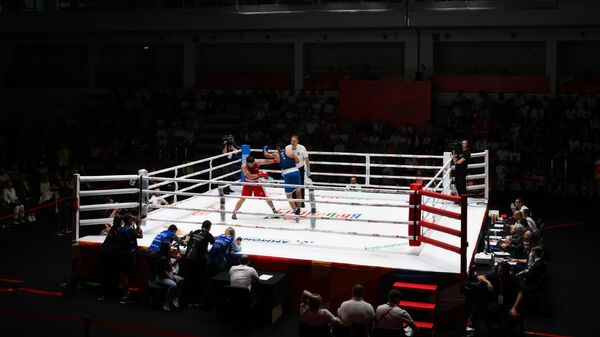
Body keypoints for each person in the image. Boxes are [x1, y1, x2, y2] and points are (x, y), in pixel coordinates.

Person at [476, 262, 524, 336]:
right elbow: (479, 276)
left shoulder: (513, 279)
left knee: (512, 317)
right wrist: (488, 282)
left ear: (506, 271)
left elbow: (520, 293)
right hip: (498, 302)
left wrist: (514, 308)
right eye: (499, 270)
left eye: (501, 270)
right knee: (486, 311)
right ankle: (492, 329)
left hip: (510, 302)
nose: (499, 271)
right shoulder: (496, 276)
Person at [231, 155, 277, 220]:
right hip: (248, 183)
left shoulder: (257, 162)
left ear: (254, 162)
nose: (251, 165)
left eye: (252, 164)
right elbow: (249, 176)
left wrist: (274, 161)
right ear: (247, 162)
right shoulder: (244, 166)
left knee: (266, 197)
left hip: (256, 182)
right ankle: (234, 212)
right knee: (242, 198)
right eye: (249, 164)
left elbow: (265, 161)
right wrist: (260, 174)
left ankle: (274, 210)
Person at [263, 144, 302, 218]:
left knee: (289, 196)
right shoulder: (290, 152)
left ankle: (295, 211)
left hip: (287, 174)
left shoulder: (276, 154)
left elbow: (266, 155)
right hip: (296, 172)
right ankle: (299, 208)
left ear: (278, 147)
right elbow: (297, 161)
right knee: (298, 192)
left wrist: (265, 149)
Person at [183, 220, 215, 306]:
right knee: (198, 280)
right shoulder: (208, 235)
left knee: (189, 278)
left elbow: (188, 238)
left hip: (188, 258)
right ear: (209, 227)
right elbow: (214, 242)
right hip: (198, 261)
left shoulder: (195, 232)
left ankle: (187, 299)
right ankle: (196, 300)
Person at [117, 213, 143, 304]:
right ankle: (125, 295)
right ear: (129, 220)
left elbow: (133, 234)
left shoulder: (121, 229)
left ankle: (125, 292)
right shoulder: (130, 230)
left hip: (122, 253)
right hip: (130, 254)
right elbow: (140, 235)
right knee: (128, 275)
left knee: (124, 274)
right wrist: (138, 225)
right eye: (132, 219)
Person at [98, 215, 124, 301]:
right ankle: (110, 293)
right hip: (111, 255)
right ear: (121, 222)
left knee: (106, 274)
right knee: (112, 274)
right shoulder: (119, 230)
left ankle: (105, 293)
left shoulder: (113, 229)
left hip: (105, 253)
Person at [153, 241, 184, 311]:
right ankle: (166, 302)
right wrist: (171, 278)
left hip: (167, 275)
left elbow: (169, 268)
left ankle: (175, 297)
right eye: (169, 247)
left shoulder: (167, 256)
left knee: (181, 280)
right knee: (173, 285)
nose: (170, 248)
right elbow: (164, 272)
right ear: (166, 248)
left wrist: (176, 261)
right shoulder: (162, 258)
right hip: (161, 278)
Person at [285, 135, 311, 208]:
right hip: (290, 168)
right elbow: (285, 159)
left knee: (301, 185)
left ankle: (301, 202)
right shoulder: (287, 148)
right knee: (292, 185)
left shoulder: (302, 148)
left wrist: (308, 169)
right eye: (291, 141)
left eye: (294, 141)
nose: (292, 142)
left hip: (300, 168)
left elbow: (306, 158)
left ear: (297, 141)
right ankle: (294, 201)